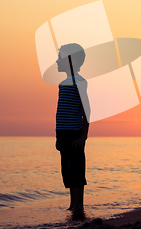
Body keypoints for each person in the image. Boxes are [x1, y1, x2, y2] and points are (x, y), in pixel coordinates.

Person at [55, 43, 90, 219]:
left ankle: (79, 206)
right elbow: (60, 111)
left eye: (60, 57)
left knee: (76, 170)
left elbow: (87, 111)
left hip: (75, 133)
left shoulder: (80, 82)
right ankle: (72, 204)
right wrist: (57, 137)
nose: (56, 61)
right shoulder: (63, 84)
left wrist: (84, 136)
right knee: (67, 171)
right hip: (63, 134)